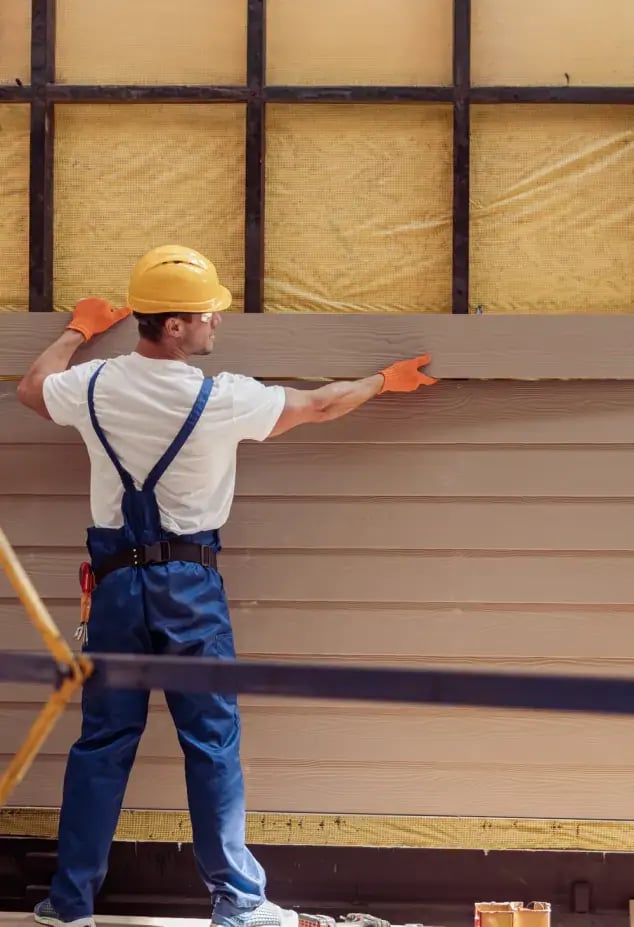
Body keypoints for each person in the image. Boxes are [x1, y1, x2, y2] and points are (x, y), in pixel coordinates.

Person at [17, 245, 438, 927]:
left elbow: (33, 388)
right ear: (174, 325)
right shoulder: (222, 398)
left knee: (103, 743)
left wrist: (77, 328)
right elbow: (320, 406)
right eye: (209, 310)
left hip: (117, 586)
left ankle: (69, 905)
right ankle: (238, 903)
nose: (220, 319)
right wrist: (383, 382)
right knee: (211, 741)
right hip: (189, 589)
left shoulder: (91, 385)